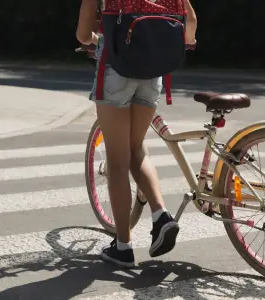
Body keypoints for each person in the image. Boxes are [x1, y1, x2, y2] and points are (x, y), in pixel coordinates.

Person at [76, 0, 198, 268]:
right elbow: (189, 24)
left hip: (116, 70)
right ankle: (161, 215)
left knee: (118, 161)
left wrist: (97, 39)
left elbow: (83, 35)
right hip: (153, 73)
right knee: (137, 149)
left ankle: (123, 247)